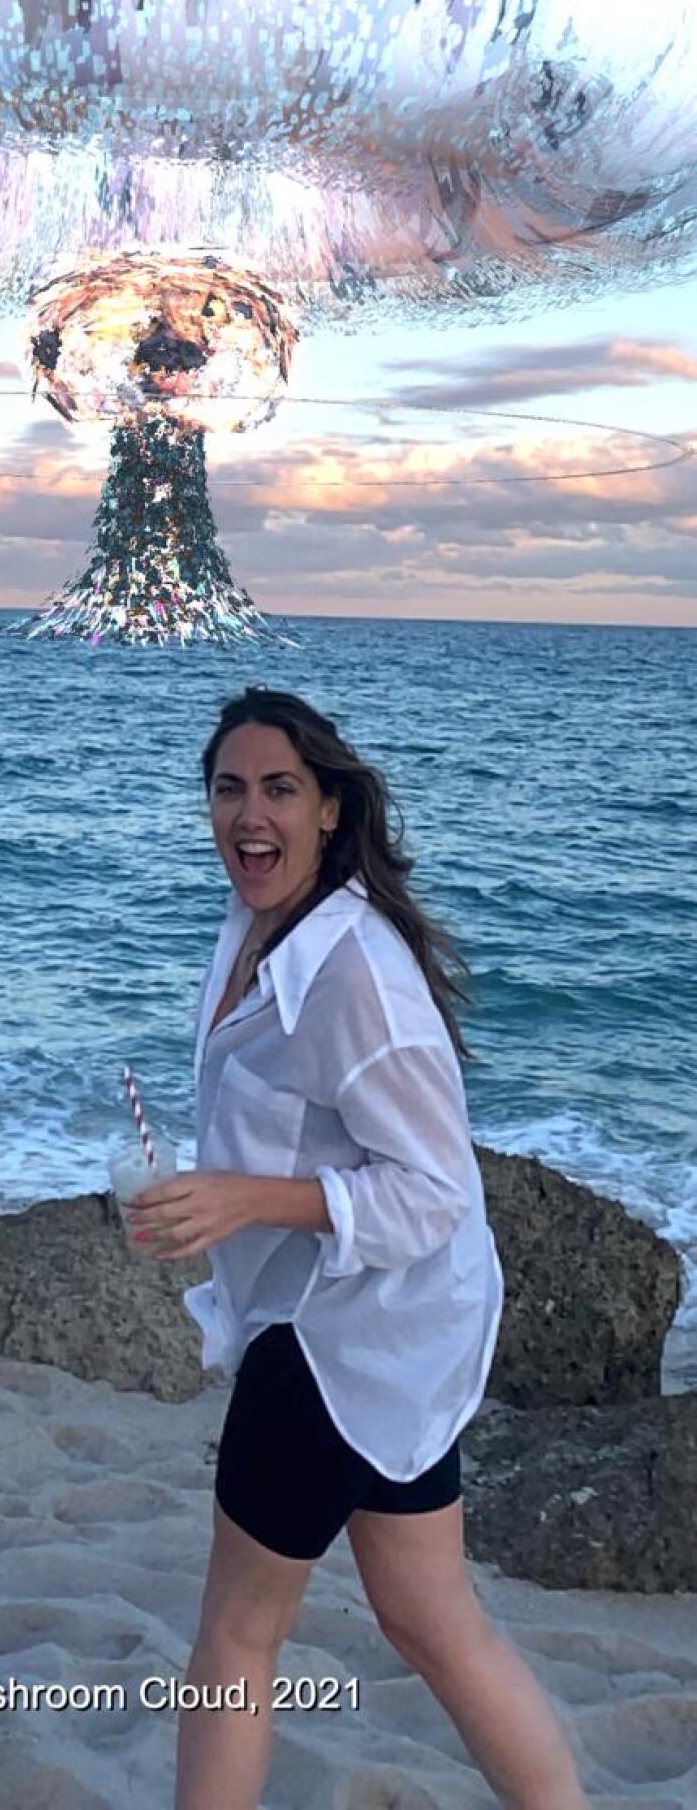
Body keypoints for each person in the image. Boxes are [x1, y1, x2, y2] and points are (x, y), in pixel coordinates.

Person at [129, 686, 587, 1810]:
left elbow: (435, 1191)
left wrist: (247, 1200)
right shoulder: (260, 930)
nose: (251, 815)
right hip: (395, 1340)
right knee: (435, 1621)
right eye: (229, 789)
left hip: (338, 1341)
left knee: (236, 1638)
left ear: (331, 809)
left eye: (280, 789)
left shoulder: (353, 974)